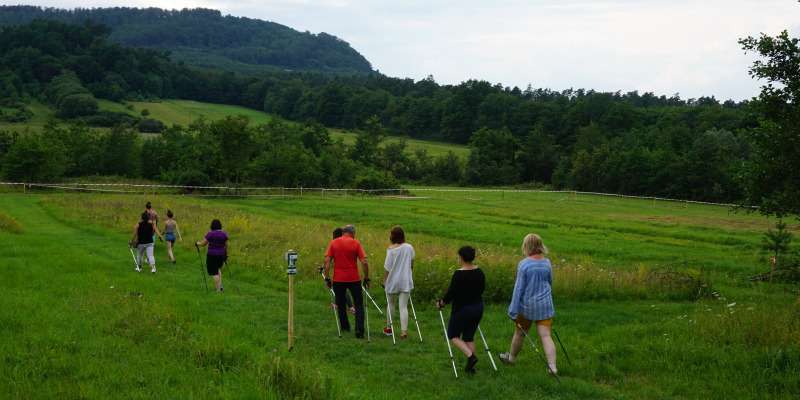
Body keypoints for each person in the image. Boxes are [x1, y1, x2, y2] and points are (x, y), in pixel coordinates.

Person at [499, 233, 557, 375]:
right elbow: (550, 282)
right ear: (540, 245)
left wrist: (513, 310)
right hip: (545, 305)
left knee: (519, 333)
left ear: (526, 246)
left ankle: (511, 358)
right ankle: (552, 367)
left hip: (527, 307)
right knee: (546, 336)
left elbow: (518, 289)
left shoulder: (524, 264)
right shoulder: (547, 263)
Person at [437, 246, 485, 374]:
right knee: (469, 336)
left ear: (462, 258)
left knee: (453, 335)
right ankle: (471, 368)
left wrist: (442, 302)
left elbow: (451, 293)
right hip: (478, 308)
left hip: (463, 310)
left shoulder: (459, 274)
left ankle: (471, 357)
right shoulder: (480, 272)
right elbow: (482, 289)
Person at [323, 224, 370, 338]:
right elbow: (364, 262)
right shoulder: (356, 243)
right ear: (352, 233)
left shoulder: (334, 243)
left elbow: (327, 261)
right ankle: (359, 330)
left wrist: (327, 277)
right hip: (354, 278)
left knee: (340, 304)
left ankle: (345, 327)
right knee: (358, 304)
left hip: (338, 279)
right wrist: (366, 277)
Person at [382, 226, 415, 339]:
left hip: (393, 280)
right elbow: (411, 263)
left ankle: (388, 328)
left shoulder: (391, 250)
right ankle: (403, 331)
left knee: (391, 304)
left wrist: (384, 280)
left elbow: (387, 267)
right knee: (403, 307)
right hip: (405, 280)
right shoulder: (409, 247)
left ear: (392, 236)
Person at [196, 219, 229, 292]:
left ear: (212, 226)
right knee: (218, 269)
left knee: (214, 272)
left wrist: (198, 243)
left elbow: (204, 243)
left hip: (212, 255)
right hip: (221, 255)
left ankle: (218, 290)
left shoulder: (210, 233)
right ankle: (220, 287)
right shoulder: (224, 234)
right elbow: (226, 245)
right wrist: (226, 254)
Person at [331, 227, 355, 315]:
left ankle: (350, 307)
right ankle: (341, 304)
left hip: (341, 273)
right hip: (351, 271)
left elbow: (330, 259)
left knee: (341, 289)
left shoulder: (336, 245)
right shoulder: (347, 244)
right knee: (342, 289)